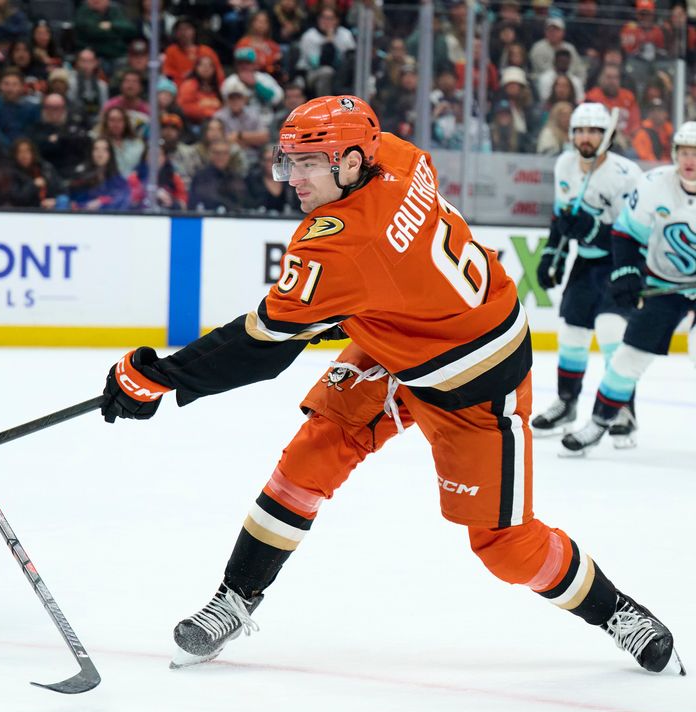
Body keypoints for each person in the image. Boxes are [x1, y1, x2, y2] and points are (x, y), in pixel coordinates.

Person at [98, 95, 684, 676]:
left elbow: (261, 347)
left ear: (352, 161)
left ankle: (618, 614)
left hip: (474, 380)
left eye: (308, 163)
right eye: (289, 161)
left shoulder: (341, 245)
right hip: (401, 339)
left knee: (504, 544)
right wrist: (355, 311)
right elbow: (391, 268)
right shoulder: (398, 156)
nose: (292, 178)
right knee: (312, 453)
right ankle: (236, 598)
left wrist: (158, 377)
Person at [562, 122, 696, 454]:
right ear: (674, 154)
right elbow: (625, 234)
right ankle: (598, 422)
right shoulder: (654, 185)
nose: (689, 160)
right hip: (662, 282)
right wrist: (625, 272)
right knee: (627, 358)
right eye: (684, 152)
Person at [531, 103, 643, 439]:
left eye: (594, 130)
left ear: (607, 135)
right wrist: (552, 254)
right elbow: (561, 216)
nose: (586, 137)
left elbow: (631, 235)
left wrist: (593, 230)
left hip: (620, 263)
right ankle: (567, 403)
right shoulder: (564, 165)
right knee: (572, 334)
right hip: (586, 261)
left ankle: (624, 409)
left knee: (611, 333)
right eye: (580, 130)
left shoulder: (626, 174)